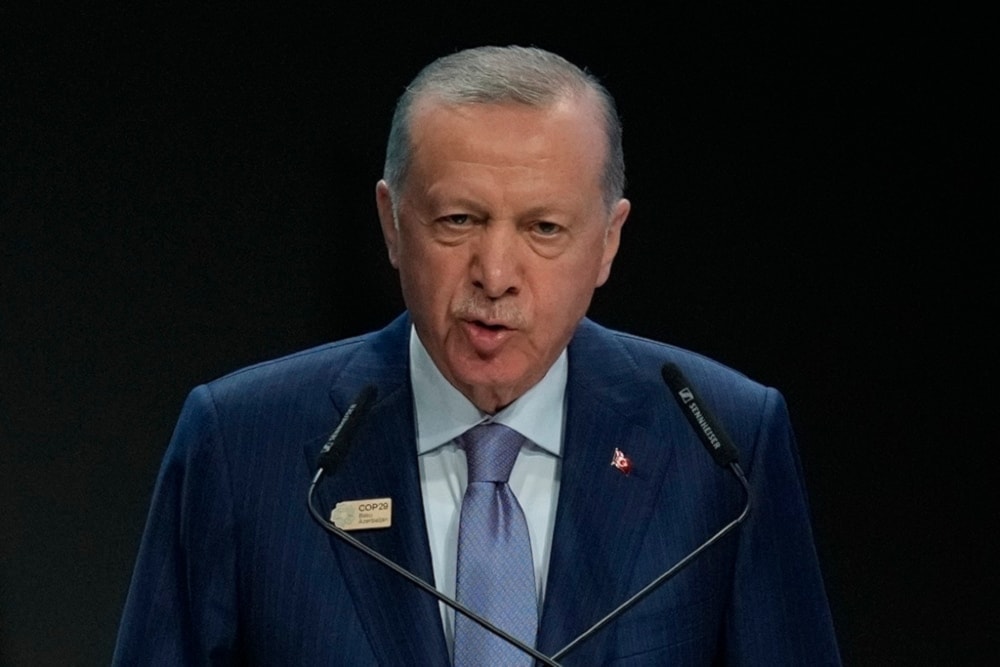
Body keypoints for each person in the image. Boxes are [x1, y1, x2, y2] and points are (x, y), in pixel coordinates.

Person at [113, 45, 841, 665]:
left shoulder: (721, 444)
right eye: (458, 220)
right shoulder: (242, 444)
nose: (495, 273)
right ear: (392, 225)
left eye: (544, 227)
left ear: (608, 242)